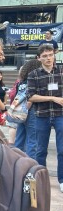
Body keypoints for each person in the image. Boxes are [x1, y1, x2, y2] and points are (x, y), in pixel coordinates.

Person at [27, 43, 63, 192]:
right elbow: (31, 96)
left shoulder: (61, 71)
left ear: (54, 54)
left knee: (62, 150)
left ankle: (62, 180)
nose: (48, 58)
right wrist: (52, 98)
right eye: (45, 56)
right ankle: (41, 179)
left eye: (50, 55)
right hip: (42, 116)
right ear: (39, 58)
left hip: (60, 115)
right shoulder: (33, 74)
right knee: (41, 150)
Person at [9, 59, 40, 153]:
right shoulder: (34, 81)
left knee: (19, 138)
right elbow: (30, 99)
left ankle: (16, 161)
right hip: (31, 111)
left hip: (20, 112)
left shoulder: (21, 82)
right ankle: (31, 164)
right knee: (32, 141)